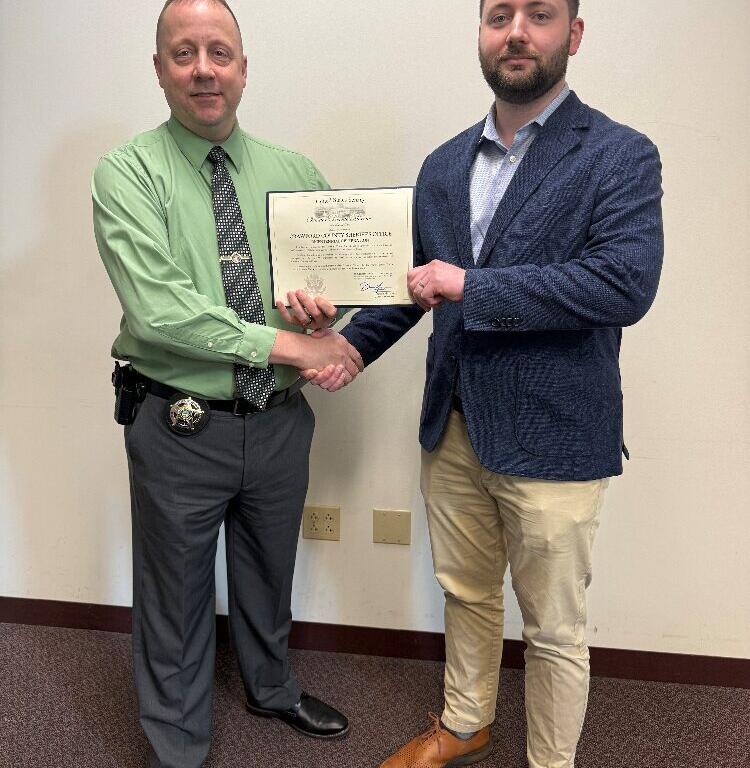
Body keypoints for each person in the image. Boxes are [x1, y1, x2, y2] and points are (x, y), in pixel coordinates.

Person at [327, 1, 664, 766]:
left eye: (539, 14)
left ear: (573, 34)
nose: (516, 31)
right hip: (452, 427)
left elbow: (623, 283)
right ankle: (465, 721)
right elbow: (414, 285)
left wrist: (471, 286)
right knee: (466, 592)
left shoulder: (619, 154)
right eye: (498, 14)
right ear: (480, 32)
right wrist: (346, 349)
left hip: (555, 434)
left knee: (553, 629)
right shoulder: (443, 165)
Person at [91, 1, 361, 765]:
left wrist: (325, 310)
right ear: (159, 70)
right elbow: (160, 309)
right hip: (181, 423)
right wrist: (288, 343)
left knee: (270, 572)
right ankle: (178, 745)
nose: (204, 69)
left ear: (244, 68)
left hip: (280, 421)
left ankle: (270, 688)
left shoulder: (294, 174)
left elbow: (337, 279)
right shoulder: (127, 174)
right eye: (184, 54)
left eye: (220, 52)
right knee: (175, 595)